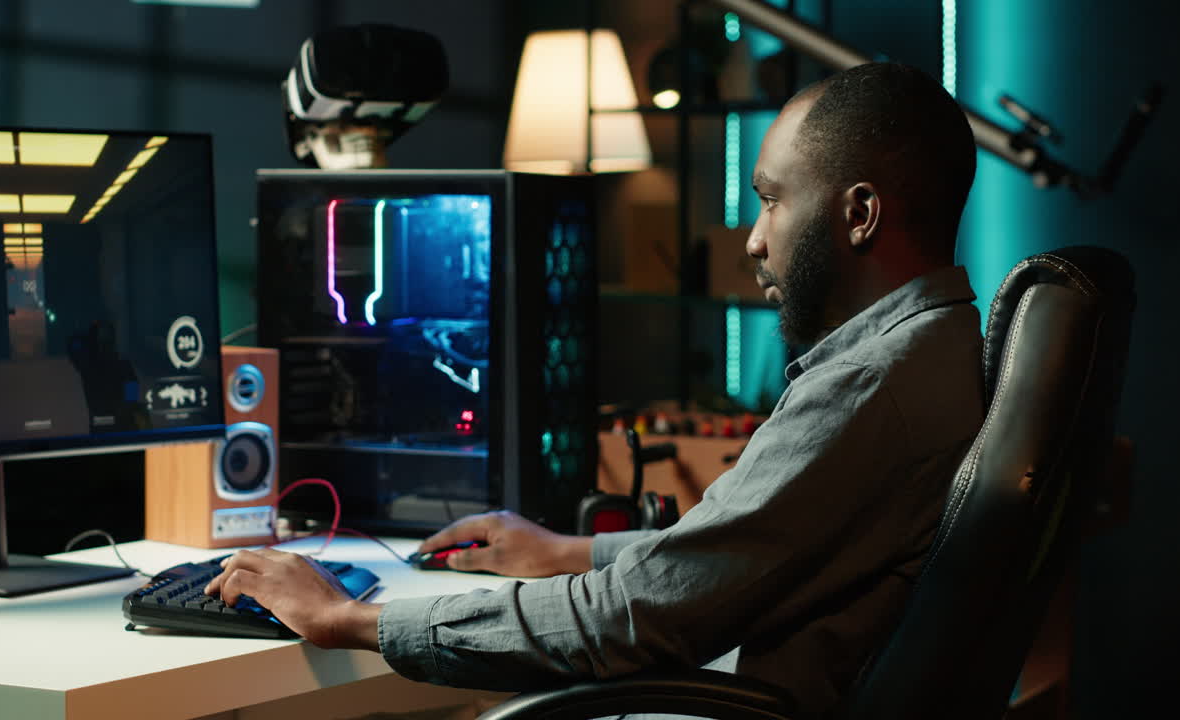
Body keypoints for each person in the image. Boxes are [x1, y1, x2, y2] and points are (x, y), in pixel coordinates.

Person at [206, 61, 984, 717]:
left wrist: (352, 617)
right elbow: (739, 552)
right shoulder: (939, 350)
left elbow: (625, 620)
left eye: (773, 200)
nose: (753, 238)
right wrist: (568, 551)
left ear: (860, 214)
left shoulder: (867, 387)